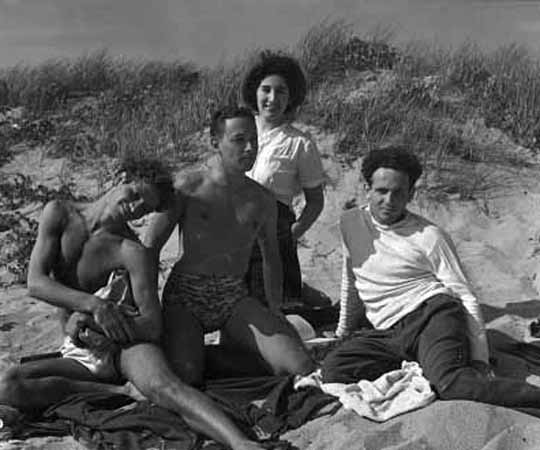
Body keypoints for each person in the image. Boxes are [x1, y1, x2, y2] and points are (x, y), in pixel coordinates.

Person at [0, 157, 265, 450]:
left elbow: (151, 324)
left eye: (145, 208)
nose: (135, 207)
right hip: (80, 347)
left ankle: (240, 442)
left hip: (126, 344)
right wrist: (93, 307)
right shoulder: (59, 214)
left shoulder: (130, 251)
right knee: (8, 385)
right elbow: (35, 283)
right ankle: (121, 392)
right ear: (119, 177)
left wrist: (105, 325)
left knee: (166, 388)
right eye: (135, 194)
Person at [323, 146, 540, 409]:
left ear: (410, 194)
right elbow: (352, 278)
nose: (389, 201)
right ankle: (428, 360)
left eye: (398, 193)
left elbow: (465, 296)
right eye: (381, 191)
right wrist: (343, 331)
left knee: (450, 384)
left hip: (433, 315)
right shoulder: (350, 222)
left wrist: (480, 361)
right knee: (334, 369)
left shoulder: (429, 236)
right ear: (367, 188)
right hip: (388, 332)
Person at [144, 106, 315, 386]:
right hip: (186, 294)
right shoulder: (189, 186)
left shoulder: (262, 200)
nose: (249, 148)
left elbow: (272, 257)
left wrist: (273, 309)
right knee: (187, 377)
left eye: (254, 140)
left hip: (233, 293)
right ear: (215, 142)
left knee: (301, 366)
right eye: (238, 140)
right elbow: (150, 246)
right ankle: (191, 351)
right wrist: (148, 305)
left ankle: (215, 352)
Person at [241, 51, 325, 305]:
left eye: (281, 92)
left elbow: (315, 202)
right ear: (255, 92)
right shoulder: (238, 130)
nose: (272, 98)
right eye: (266, 90)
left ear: (291, 98)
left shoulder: (299, 143)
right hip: (232, 232)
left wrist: (292, 233)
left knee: (272, 311)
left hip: (274, 234)